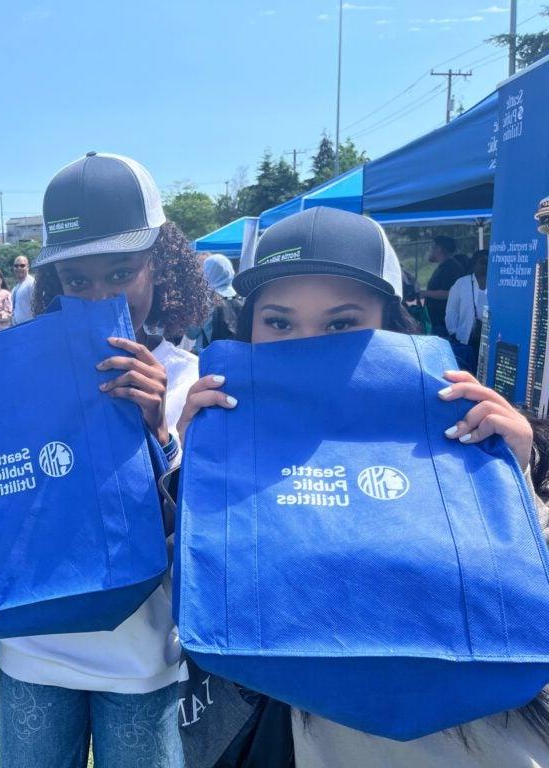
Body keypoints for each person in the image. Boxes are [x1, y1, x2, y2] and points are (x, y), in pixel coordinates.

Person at [176, 207, 549, 768]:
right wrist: (194, 471)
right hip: (314, 744)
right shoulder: (233, 443)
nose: (306, 346)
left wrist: (515, 476)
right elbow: (193, 602)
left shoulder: (462, 424)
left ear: (391, 324)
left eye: (340, 324)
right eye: (278, 322)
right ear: (248, 326)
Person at [0, 151, 209, 768]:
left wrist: (161, 432)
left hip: (143, 660)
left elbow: (198, 546)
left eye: (121, 272)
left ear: (161, 266)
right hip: (35, 650)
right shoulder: (24, 371)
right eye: (78, 281)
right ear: (55, 285)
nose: (101, 295)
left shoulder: (192, 382)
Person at [180, 253, 243, 354]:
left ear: (207, 272)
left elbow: (191, 333)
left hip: (209, 359)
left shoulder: (207, 301)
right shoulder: (241, 297)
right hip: (235, 355)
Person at [445, 249, 489, 372]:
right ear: (474, 263)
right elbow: (451, 311)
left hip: (487, 338)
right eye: (482, 262)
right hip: (465, 338)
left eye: (488, 262)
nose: (485, 266)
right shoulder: (461, 283)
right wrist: (453, 332)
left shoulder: (497, 283)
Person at [421, 234, 466, 338]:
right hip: (438, 323)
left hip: (443, 325)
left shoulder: (450, 267)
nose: (430, 250)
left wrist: (425, 293)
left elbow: (449, 293)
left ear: (439, 249)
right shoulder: (445, 266)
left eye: (432, 247)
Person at [11, 255, 36, 324]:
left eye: (22, 266)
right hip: (17, 327)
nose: (19, 268)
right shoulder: (15, 288)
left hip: (29, 326)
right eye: (16, 266)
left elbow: (37, 307)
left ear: (28, 267)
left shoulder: (31, 283)